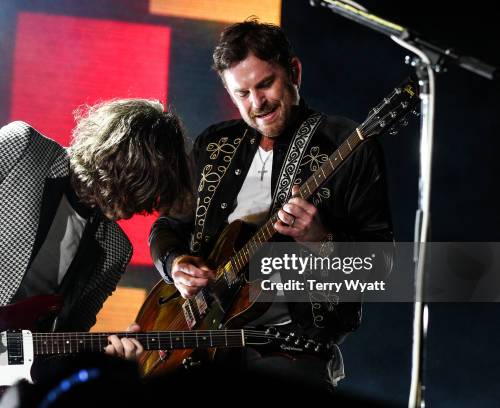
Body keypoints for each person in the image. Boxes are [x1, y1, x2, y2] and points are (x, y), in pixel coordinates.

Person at [148, 19, 393, 389]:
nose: (256, 103)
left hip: (291, 350)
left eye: (265, 84)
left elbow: (382, 267)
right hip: (205, 346)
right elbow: (168, 226)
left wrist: (320, 240)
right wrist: (175, 263)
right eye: (241, 94)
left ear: (293, 71)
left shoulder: (350, 144)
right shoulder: (213, 145)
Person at [0, 98, 192, 362]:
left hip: (1, 391)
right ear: (115, 160)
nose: (139, 207)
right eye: (138, 187)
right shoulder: (21, 148)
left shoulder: (115, 249)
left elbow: (63, 342)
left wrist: (104, 358)